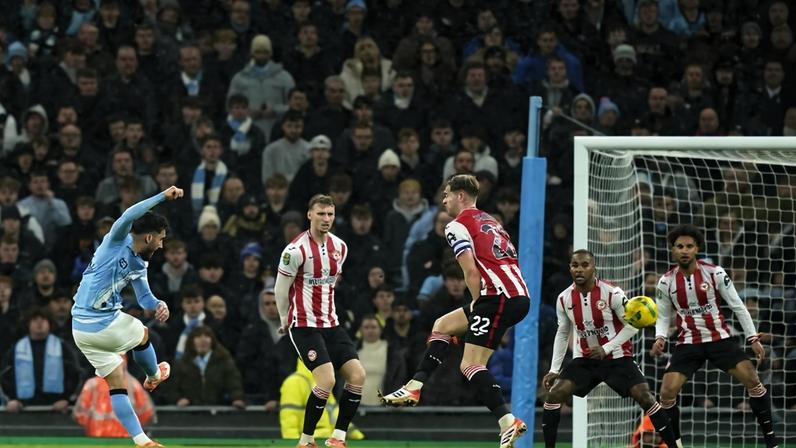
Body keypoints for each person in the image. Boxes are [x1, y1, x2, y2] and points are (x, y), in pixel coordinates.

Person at [380, 174, 530, 448]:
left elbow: (471, 272)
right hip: (514, 294)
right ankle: (414, 386)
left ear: (461, 196)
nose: (444, 200)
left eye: (447, 194)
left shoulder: (456, 226)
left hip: (495, 296)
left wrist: (476, 305)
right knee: (442, 325)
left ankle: (508, 421)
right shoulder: (491, 221)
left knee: (470, 364)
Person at [71, 186, 184, 448]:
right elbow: (127, 216)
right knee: (143, 334)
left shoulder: (140, 263)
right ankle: (154, 375)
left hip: (80, 329)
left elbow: (144, 298)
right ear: (148, 238)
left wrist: (158, 304)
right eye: (161, 238)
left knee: (116, 384)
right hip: (97, 321)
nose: (162, 244)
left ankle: (142, 440)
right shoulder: (116, 241)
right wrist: (162, 196)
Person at [651, 224, 779, 448]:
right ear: (673, 250)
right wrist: (660, 337)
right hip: (688, 342)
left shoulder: (715, 272)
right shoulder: (666, 281)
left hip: (720, 339)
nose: (684, 250)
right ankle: (676, 445)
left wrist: (753, 338)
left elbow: (738, 306)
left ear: (697, 249)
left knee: (753, 381)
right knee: (666, 392)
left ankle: (771, 441)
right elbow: (663, 316)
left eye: (689, 246)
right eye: (679, 246)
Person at [540, 250, 678, 448]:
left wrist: (606, 348)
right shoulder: (564, 299)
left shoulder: (612, 293)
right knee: (554, 394)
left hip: (617, 357)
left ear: (594, 267)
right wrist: (554, 369)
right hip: (586, 360)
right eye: (575, 265)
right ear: (570, 267)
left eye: (585, 265)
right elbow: (562, 333)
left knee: (645, 396)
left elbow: (632, 326)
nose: (579, 269)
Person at [275, 194, 366, 448]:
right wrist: (284, 318)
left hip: (331, 323)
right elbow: (281, 289)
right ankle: (306, 441)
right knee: (327, 380)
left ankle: (338, 437)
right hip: (303, 325)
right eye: (321, 214)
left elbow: (330, 284)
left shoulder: (341, 247)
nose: (326, 219)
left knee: (357, 376)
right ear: (310, 215)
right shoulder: (294, 251)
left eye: (330, 214)